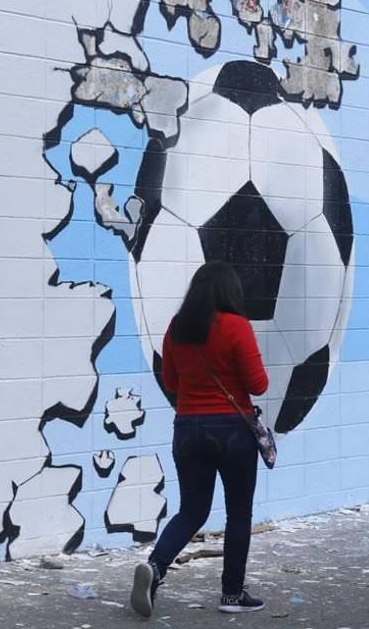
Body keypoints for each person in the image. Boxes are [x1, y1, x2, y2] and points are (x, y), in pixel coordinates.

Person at [130, 262, 270, 618]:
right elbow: (258, 385)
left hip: (187, 428)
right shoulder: (236, 327)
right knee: (238, 511)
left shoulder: (177, 328)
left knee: (192, 510)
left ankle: (156, 568)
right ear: (230, 291)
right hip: (232, 431)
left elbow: (172, 383)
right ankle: (232, 595)